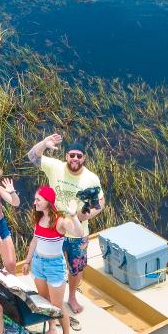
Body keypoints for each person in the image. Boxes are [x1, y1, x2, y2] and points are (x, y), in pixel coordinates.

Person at [27, 133, 104, 315]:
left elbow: (100, 203)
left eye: (79, 155)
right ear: (66, 156)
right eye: (72, 155)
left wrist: (85, 215)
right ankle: (53, 299)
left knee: (76, 267)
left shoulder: (91, 178)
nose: (75, 158)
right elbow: (32, 156)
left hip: (77, 230)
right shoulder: (55, 167)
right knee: (52, 264)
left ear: (84, 157)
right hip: (54, 228)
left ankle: (71, 297)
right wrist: (44, 143)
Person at [17, 186, 77, 334]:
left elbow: (78, 232)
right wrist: (27, 261)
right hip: (38, 263)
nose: (34, 202)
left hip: (54, 266)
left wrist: (73, 216)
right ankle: (51, 328)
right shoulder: (39, 218)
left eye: (38, 199)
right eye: (35, 199)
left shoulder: (60, 221)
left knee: (57, 306)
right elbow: (35, 241)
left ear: (48, 202)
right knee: (45, 301)